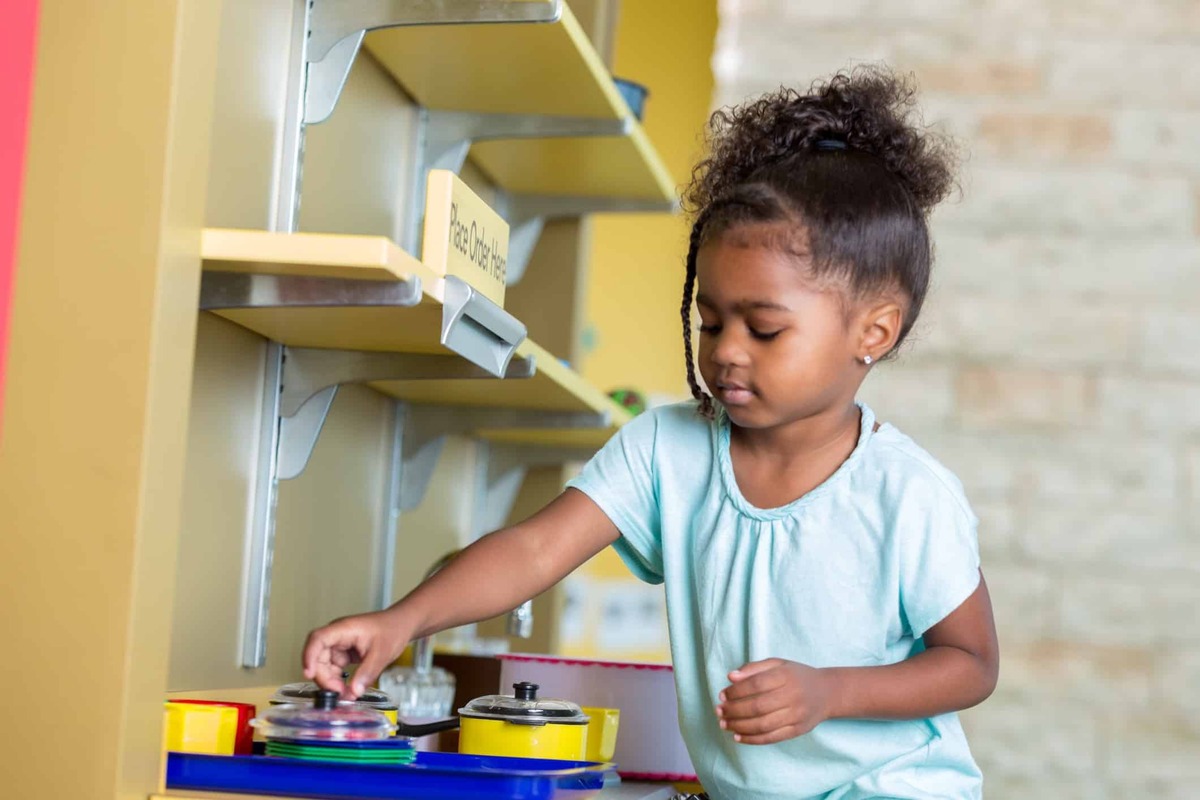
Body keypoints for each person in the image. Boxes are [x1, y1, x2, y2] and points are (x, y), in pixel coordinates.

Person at [303, 64, 999, 800]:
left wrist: (830, 692)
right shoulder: (668, 449)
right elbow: (536, 548)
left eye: (764, 329)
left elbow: (971, 663)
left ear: (875, 330)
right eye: (710, 320)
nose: (727, 349)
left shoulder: (910, 494)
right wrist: (400, 621)